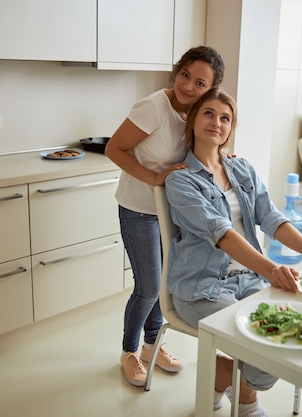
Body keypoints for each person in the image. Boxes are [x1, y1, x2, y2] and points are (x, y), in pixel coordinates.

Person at [164, 88, 302, 416]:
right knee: (265, 347)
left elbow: (272, 219)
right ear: (193, 120)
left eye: (226, 118)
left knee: (290, 337)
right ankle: (244, 398)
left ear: (231, 128)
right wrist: (271, 269)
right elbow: (221, 233)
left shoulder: (242, 169)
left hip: (248, 281)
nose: (216, 122)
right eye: (208, 113)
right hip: (200, 289)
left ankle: (222, 375)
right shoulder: (180, 180)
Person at [105, 46, 226, 387]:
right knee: (147, 287)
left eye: (199, 83)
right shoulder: (153, 107)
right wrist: (154, 178)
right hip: (139, 207)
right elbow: (115, 148)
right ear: (177, 71)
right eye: (185, 75)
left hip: (171, 210)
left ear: (210, 89)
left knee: (166, 285)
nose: (188, 86)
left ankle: (151, 346)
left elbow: (200, 149)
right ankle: (129, 352)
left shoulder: (197, 112)